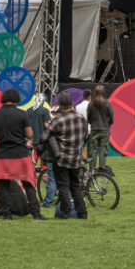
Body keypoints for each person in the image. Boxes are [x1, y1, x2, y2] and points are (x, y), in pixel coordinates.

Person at [0, 89, 47, 220]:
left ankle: (7, 214)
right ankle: (36, 214)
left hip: (2, 154)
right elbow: (29, 134)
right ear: (16, 99)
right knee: (28, 184)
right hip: (20, 153)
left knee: (4, 186)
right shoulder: (21, 114)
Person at [40, 91, 89, 220]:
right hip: (77, 159)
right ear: (72, 103)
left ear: (60, 106)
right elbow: (85, 136)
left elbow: (44, 137)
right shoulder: (82, 119)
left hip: (61, 159)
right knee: (76, 187)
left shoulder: (58, 120)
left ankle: (65, 214)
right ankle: (82, 214)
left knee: (63, 187)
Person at [86, 85, 114, 170]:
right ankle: (102, 169)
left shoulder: (91, 104)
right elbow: (112, 117)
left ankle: (92, 168)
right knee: (103, 150)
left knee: (93, 151)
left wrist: (93, 124)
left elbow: (89, 118)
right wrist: (107, 124)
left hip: (94, 130)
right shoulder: (107, 104)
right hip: (105, 130)